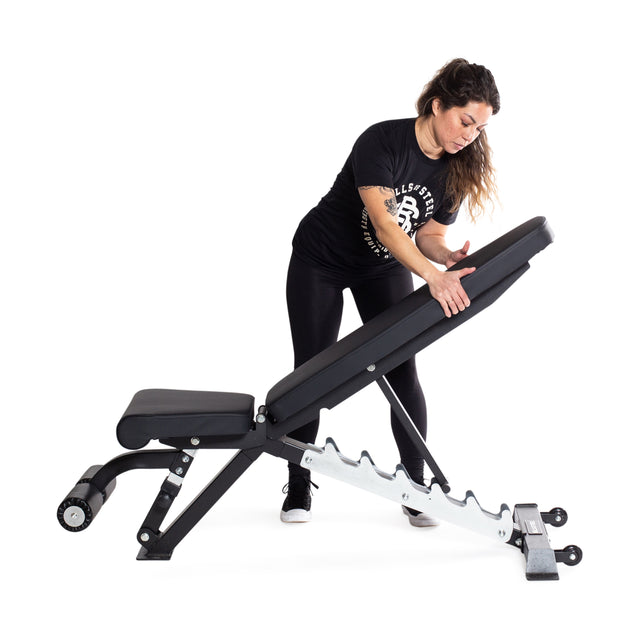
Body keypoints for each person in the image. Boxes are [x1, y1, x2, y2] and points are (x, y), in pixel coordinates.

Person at [281, 58, 500, 526]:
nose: (470, 135)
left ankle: (415, 488)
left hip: (382, 269)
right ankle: (298, 484)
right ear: (438, 104)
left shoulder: (456, 171)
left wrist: (444, 259)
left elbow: (427, 235)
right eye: (465, 121)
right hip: (320, 260)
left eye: (479, 128)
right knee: (310, 374)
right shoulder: (381, 140)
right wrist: (433, 278)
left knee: (402, 370)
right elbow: (385, 225)